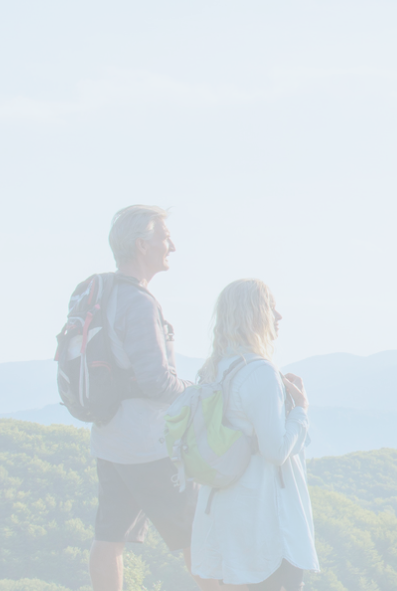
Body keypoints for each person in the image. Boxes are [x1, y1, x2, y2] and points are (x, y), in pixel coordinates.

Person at [89, 205, 220, 591]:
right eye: (165, 238)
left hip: (109, 437)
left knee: (109, 536)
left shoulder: (106, 295)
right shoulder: (139, 303)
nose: (172, 246)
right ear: (142, 245)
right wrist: (202, 395)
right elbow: (156, 381)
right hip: (148, 444)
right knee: (197, 533)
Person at [188, 279, 318, 591]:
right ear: (254, 314)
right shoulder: (260, 372)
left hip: (225, 506)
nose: (279, 316)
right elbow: (276, 450)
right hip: (265, 516)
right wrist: (300, 409)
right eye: (271, 307)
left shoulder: (214, 369)